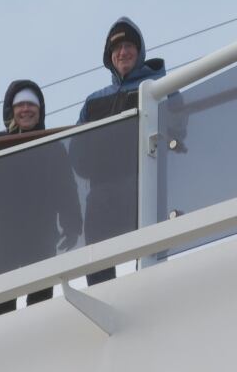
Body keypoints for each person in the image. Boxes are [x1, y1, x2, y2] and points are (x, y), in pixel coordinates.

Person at [0, 80, 82, 317]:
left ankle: (37, 342)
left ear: (40, 110)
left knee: (40, 297)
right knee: (2, 302)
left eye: (31, 104)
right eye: (20, 105)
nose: (26, 109)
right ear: (11, 110)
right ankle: (4, 346)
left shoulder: (51, 147)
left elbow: (66, 189)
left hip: (39, 234)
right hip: (0, 237)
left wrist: (72, 224)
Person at [73, 17, 166, 286]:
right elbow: (77, 154)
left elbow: (179, 128)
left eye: (128, 46)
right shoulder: (94, 102)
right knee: (98, 260)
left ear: (139, 51)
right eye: (116, 48)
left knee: (150, 253)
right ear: (109, 56)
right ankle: (105, 300)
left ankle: (151, 292)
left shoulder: (156, 88)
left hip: (146, 183)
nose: (122, 52)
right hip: (102, 193)